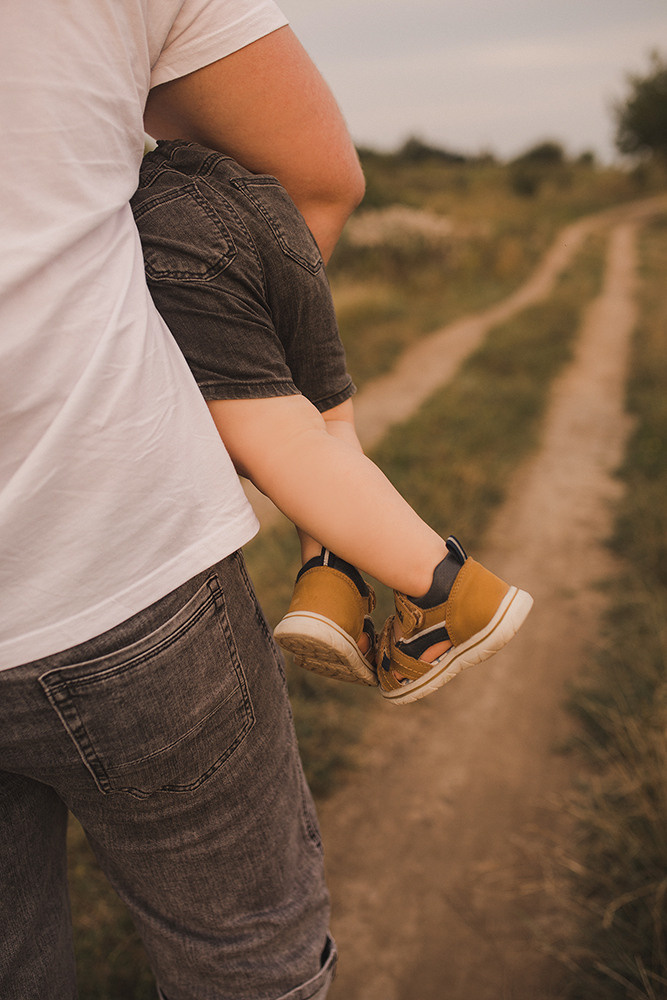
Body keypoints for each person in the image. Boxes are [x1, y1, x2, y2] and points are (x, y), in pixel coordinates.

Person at [0, 3, 366, 998]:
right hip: (120, 560)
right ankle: (426, 584)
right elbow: (315, 183)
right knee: (246, 961)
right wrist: (232, 404)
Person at [131, 139, 534, 705]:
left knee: (278, 441)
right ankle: (330, 584)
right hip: (268, 207)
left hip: (160, 227)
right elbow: (334, 179)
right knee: (325, 424)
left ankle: (447, 592)